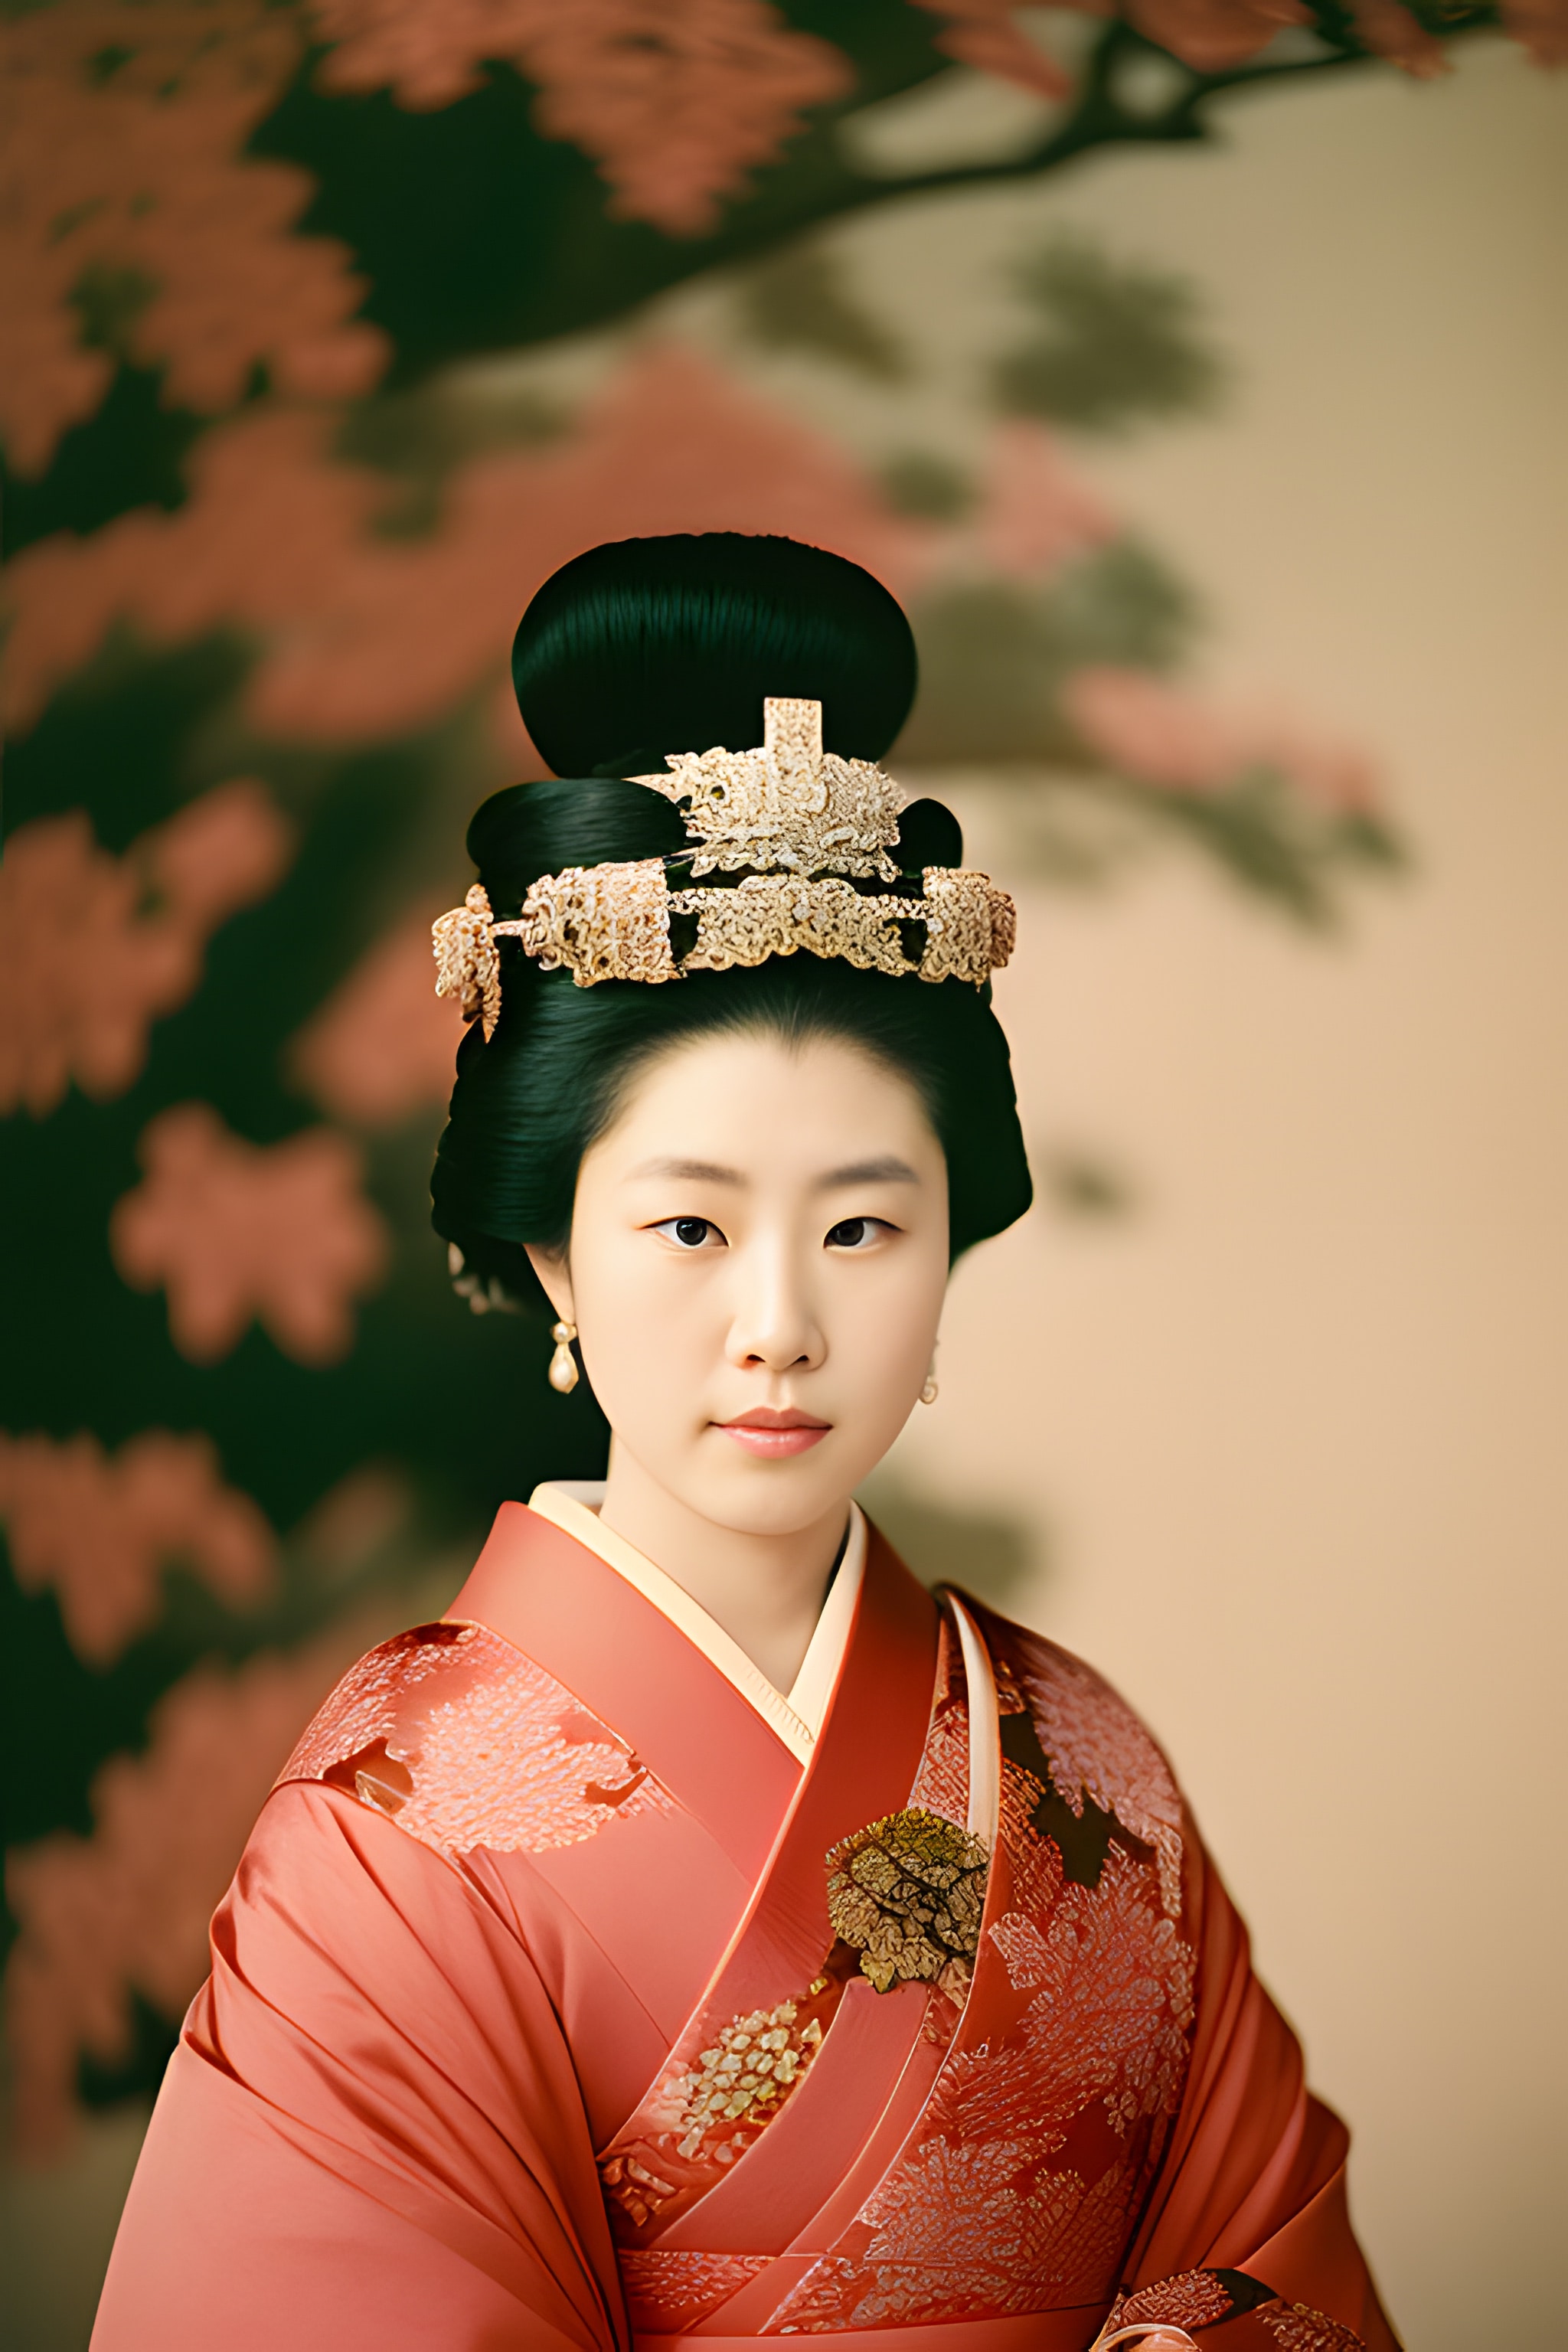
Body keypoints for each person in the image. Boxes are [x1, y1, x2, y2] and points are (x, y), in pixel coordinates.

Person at [92, 535, 1399, 2352]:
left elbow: (1286, 2280)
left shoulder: (1086, 1771)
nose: (779, 1320)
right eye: (689, 1228)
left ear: (953, 1242)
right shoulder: (394, 1835)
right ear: (551, 1245)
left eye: (863, 1228)